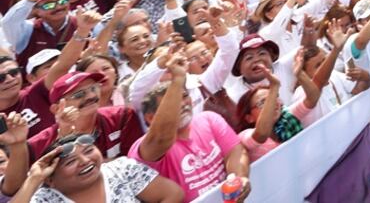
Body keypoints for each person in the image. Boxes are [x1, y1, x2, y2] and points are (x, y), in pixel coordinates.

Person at [132, 53, 252, 201]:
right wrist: (177, 80)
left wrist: (239, 178)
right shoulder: (144, 148)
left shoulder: (208, 119)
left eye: (184, 96)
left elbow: (235, 151)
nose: (182, 104)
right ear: (151, 118)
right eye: (173, 101)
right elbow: (162, 138)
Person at [12, 136, 184, 202]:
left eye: (89, 151)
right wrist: (34, 179)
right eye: (70, 162)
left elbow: (172, 194)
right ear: (50, 179)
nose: (85, 161)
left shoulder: (122, 169)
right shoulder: (44, 199)